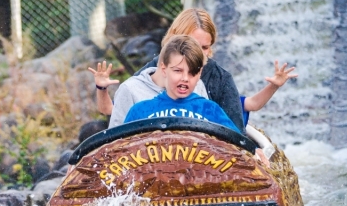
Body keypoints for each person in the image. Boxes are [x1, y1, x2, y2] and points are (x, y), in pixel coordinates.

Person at [89, 9, 244, 131]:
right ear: (164, 68)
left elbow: (235, 136)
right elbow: (116, 132)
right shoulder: (139, 101)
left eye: (204, 47)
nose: (197, 53)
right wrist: (101, 89)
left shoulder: (208, 97)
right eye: (177, 71)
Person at [123, 36, 239, 132]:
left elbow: (238, 148)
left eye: (192, 73)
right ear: (164, 69)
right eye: (178, 71)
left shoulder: (211, 111)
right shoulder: (139, 111)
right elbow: (118, 149)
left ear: (199, 74)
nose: (185, 78)